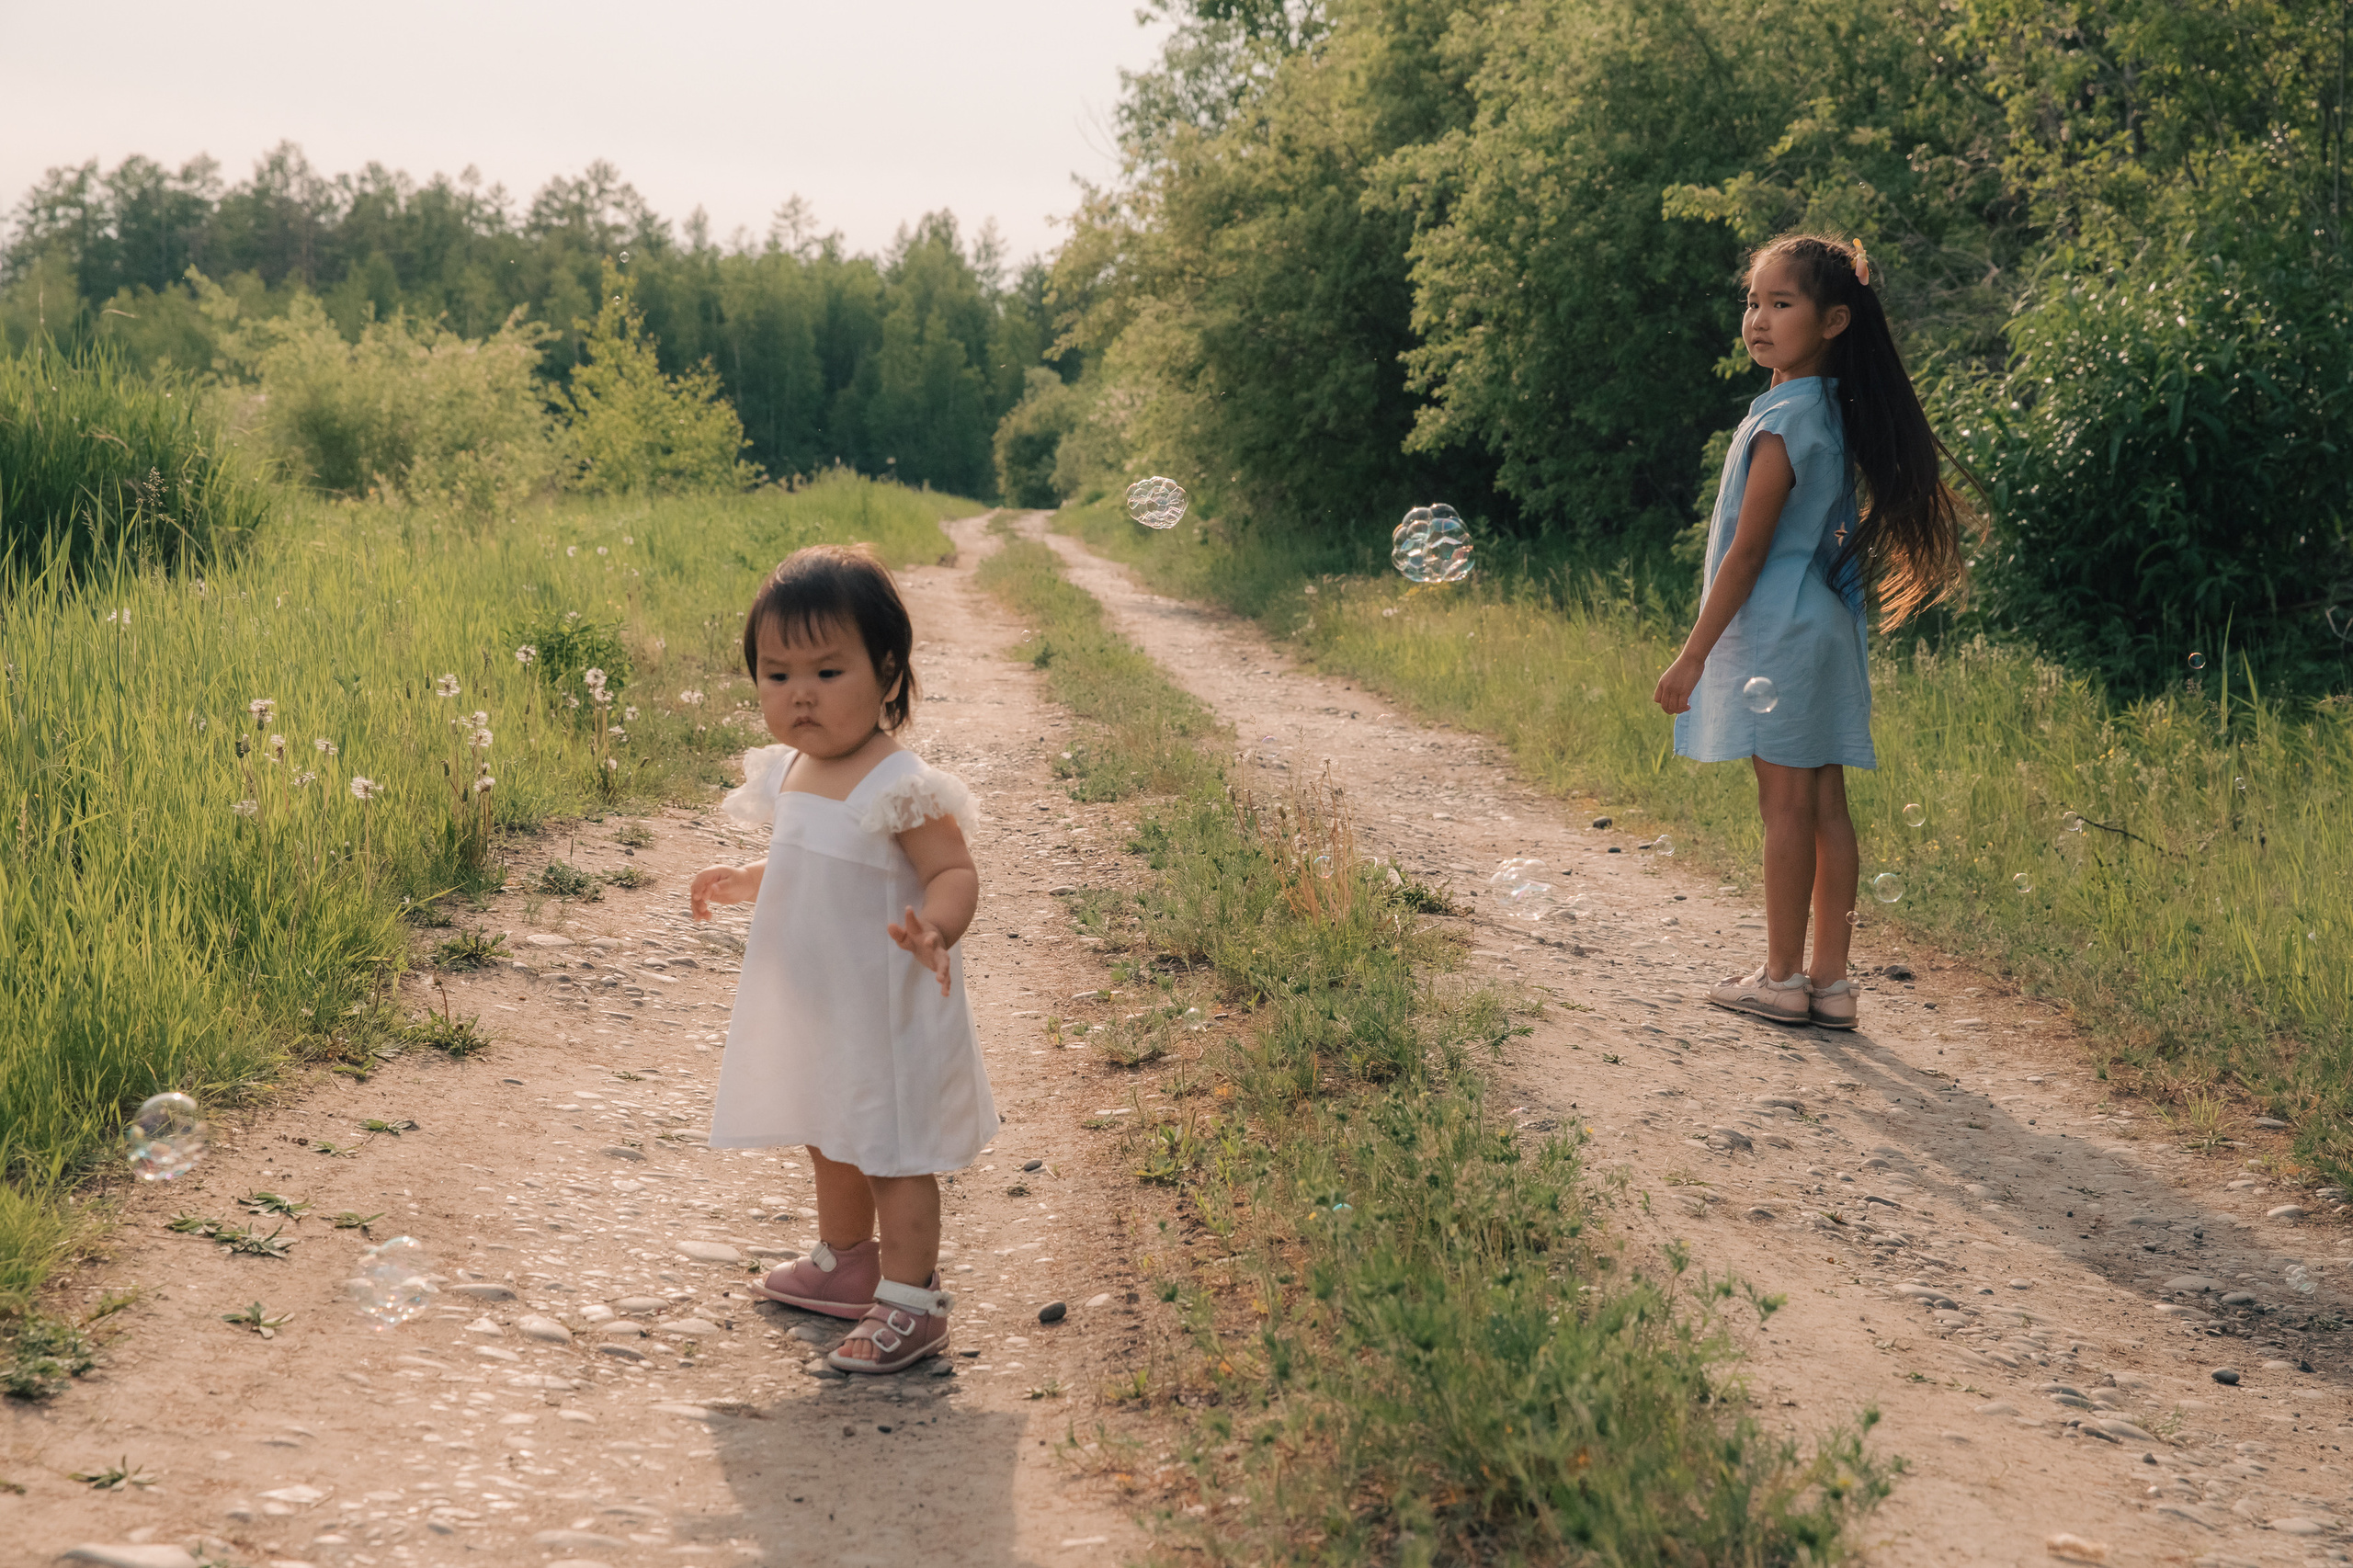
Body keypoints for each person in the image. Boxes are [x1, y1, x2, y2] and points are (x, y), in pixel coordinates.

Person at [1653, 233, 1974, 1030]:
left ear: (1834, 321)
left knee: (1786, 809)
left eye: (1780, 303)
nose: (1758, 319)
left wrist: (1693, 655)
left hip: (1780, 632)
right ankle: (1832, 985)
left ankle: (1780, 978)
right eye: (1753, 302)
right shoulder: (1832, 412)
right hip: (1827, 628)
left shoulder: (1784, 422)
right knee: (1828, 803)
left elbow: (1747, 551)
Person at [690, 543, 996, 1373]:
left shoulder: (898, 780)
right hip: (821, 1004)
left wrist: (936, 928)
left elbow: (952, 870)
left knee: (890, 1147)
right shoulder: (794, 768)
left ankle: (912, 1299)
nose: (800, 696)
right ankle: (847, 1258)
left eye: (828, 673)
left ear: (889, 675)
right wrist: (749, 877)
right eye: (777, 674)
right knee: (829, 1129)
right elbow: (805, 859)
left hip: (883, 1005)